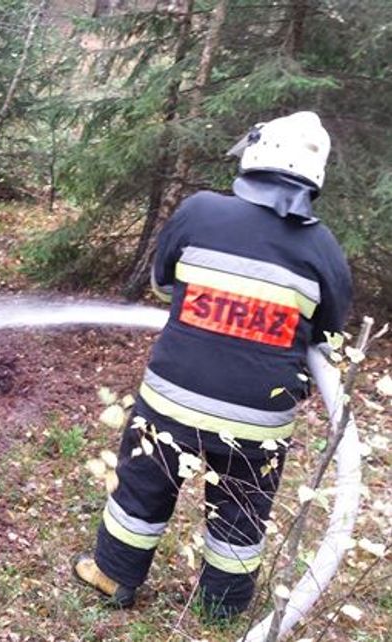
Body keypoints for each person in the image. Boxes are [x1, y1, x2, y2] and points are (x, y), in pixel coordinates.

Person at [72, 112, 353, 617]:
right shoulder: (325, 252)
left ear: (255, 156)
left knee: (142, 487)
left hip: (171, 400)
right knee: (243, 509)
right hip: (259, 423)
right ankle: (220, 609)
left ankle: (113, 575)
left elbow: (162, 283)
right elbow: (329, 341)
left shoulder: (199, 212)